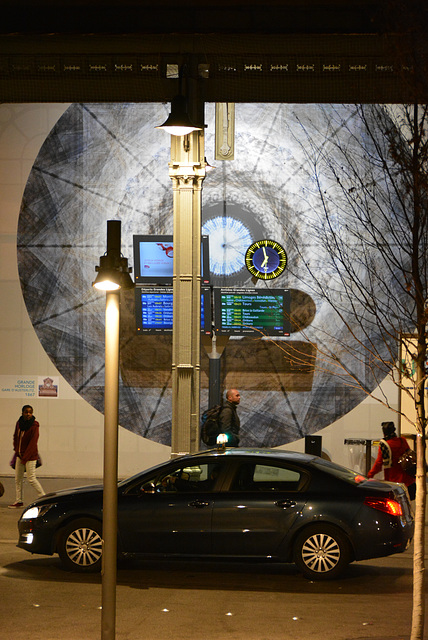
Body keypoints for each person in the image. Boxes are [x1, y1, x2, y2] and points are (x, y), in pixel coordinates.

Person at [368, 421, 416, 500]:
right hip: (409, 481)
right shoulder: (402, 440)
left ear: (384, 433)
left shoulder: (385, 446)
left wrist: (370, 475)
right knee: (408, 506)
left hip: (394, 483)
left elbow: (378, 464)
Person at [9, 404, 45, 508]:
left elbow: (33, 443)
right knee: (18, 479)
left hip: (31, 456)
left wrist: (25, 458)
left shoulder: (34, 425)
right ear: (22, 413)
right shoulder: (19, 423)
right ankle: (19, 500)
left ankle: (43, 497)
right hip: (19, 456)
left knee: (31, 478)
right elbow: (16, 436)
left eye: (30, 412)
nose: (28, 414)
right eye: (26, 412)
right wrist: (16, 450)